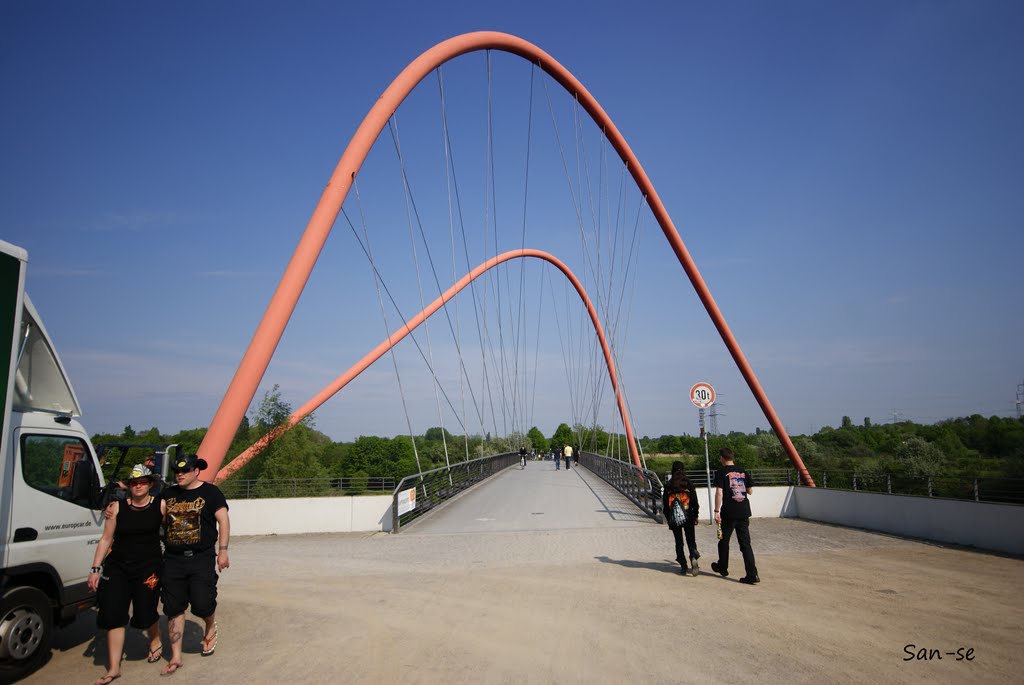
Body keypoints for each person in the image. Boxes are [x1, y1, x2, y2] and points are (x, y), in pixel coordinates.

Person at [88, 464, 166, 685]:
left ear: (150, 483)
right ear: (129, 486)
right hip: (118, 567)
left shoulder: (161, 506)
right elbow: (106, 539)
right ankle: (114, 668)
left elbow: (175, 529)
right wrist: (95, 568)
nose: (138, 485)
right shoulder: (116, 507)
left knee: (145, 609)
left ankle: (155, 638)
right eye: (134, 482)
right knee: (113, 613)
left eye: (142, 481)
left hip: (149, 567)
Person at [160, 453, 231, 674]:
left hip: (201, 557)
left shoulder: (211, 493)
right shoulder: (168, 494)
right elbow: (151, 514)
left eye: (184, 471)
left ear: (196, 471)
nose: (179, 474)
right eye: (177, 471)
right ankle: (176, 656)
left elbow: (223, 520)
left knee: (202, 604)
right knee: (173, 607)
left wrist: (223, 550)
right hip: (173, 558)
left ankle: (209, 626)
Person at [711, 447, 760, 584]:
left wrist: (716, 511)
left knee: (724, 541)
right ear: (732, 457)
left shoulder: (721, 473)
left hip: (729, 512)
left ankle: (722, 566)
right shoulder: (743, 471)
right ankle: (752, 574)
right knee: (745, 545)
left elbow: (719, 493)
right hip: (744, 511)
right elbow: (750, 491)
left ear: (722, 458)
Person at [662, 461, 700, 576]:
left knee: (679, 542)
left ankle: (683, 566)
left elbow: (665, 505)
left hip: (675, 518)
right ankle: (693, 556)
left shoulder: (668, 485)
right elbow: (694, 501)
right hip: (688, 516)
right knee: (691, 540)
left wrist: (669, 519)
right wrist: (696, 515)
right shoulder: (688, 483)